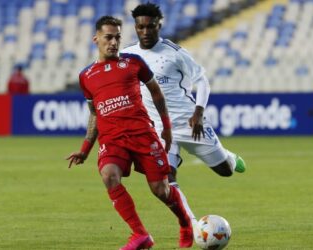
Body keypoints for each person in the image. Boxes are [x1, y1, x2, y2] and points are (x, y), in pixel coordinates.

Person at [66, 16, 193, 249]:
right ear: (96, 39)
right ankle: (140, 234)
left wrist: (166, 127)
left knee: (161, 190)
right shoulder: (86, 76)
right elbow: (94, 114)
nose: (113, 42)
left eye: (117, 37)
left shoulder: (134, 62)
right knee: (108, 175)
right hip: (113, 139)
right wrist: (85, 149)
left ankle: (185, 223)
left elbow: (156, 92)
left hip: (142, 135)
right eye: (108, 37)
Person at [122, 3, 247, 226]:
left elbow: (202, 80)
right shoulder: (128, 55)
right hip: (159, 129)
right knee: (166, 178)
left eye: (150, 27)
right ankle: (193, 224)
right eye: (141, 27)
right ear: (136, 27)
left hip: (189, 122)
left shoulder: (175, 53)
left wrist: (199, 113)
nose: (145, 32)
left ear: (158, 25)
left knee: (225, 171)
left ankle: (227, 156)